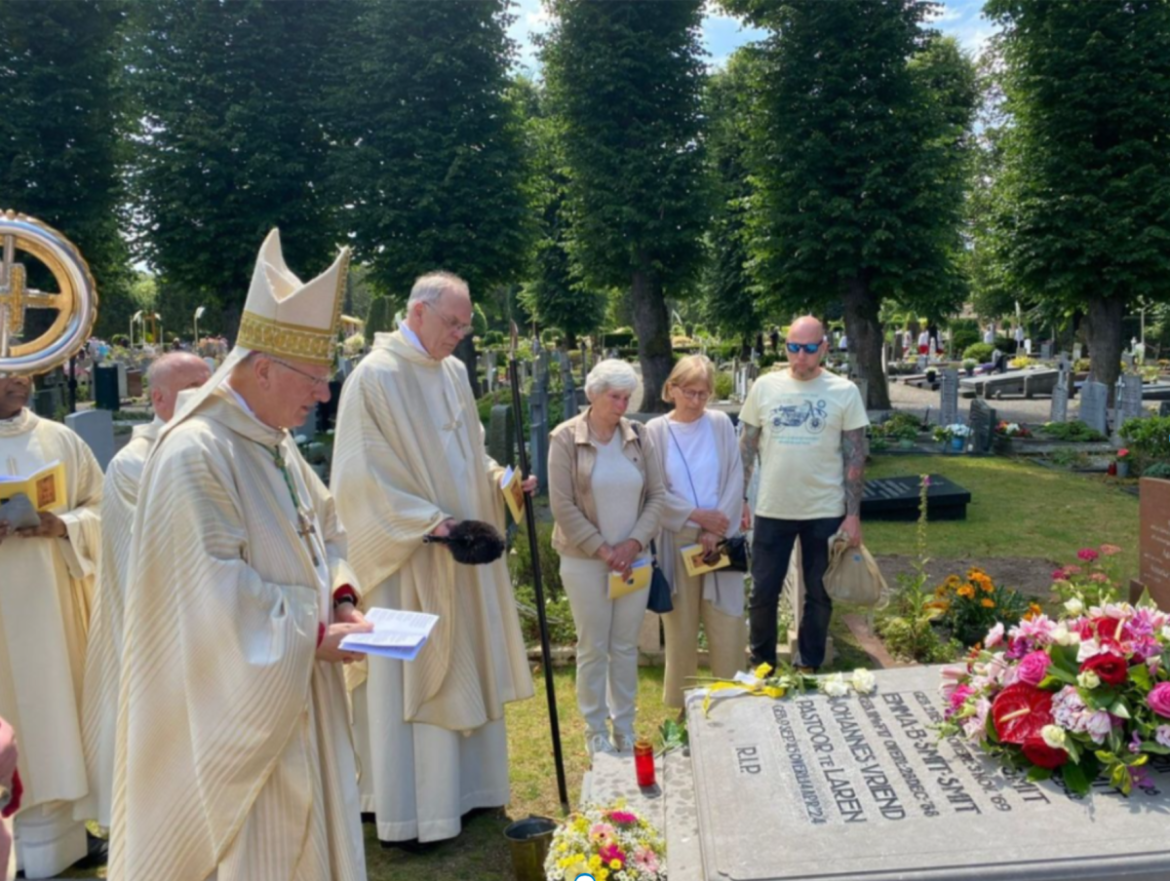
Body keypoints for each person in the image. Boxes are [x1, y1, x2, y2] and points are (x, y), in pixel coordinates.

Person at [109, 229, 371, 881]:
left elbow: (327, 528)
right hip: (241, 713)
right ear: (261, 369)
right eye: (313, 378)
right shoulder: (196, 451)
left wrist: (341, 594)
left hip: (301, 687)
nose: (322, 394)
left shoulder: (272, 439)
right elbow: (208, 594)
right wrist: (314, 628)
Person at [330, 271, 535, 847]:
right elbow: (361, 478)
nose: (461, 334)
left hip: (461, 555)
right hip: (410, 560)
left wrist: (504, 483)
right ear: (417, 312)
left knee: (464, 662)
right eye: (453, 322)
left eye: (466, 324)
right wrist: (436, 525)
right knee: (410, 676)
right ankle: (412, 809)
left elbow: (469, 449)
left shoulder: (453, 373)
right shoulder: (373, 378)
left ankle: (471, 791)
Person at [78, 352, 211, 830]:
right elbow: (162, 551)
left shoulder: (215, 444)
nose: (206, 393)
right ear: (158, 399)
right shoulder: (134, 463)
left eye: (208, 382)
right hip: (161, 628)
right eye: (192, 386)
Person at [0, 373, 102, 878]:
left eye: (22, 371)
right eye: (4, 374)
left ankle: (67, 838)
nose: (17, 382)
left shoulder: (60, 439)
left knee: (57, 711)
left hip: (54, 609)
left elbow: (104, 511)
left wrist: (61, 525)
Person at [548, 359, 665, 755]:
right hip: (584, 561)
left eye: (627, 396)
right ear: (593, 395)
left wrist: (632, 545)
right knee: (593, 646)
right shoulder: (565, 439)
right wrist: (602, 549)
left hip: (634, 560)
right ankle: (595, 729)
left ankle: (625, 726)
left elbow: (658, 496)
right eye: (614, 396)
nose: (622, 404)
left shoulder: (638, 436)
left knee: (625, 646)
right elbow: (562, 504)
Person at [739, 315, 869, 673]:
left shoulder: (844, 392)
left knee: (820, 593)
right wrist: (741, 499)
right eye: (793, 347)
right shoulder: (765, 387)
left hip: (824, 509)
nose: (800, 356)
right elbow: (746, 448)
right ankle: (762, 664)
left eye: (809, 348)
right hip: (772, 508)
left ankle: (808, 664)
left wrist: (853, 514)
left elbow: (855, 456)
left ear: (824, 348)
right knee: (763, 592)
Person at [644, 356, 746, 710]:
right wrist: (694, 517)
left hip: (720, 537)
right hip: (677, 539)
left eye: (704, 394)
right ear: (671, 389)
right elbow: (653, 487)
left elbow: (735, 476)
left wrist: (715, 529)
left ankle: (735, 706)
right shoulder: (654, 431)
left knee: (727, 623)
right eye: (690, 392)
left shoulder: (719, 424)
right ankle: (680, 712)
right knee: (680, 632)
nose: (697, 401)